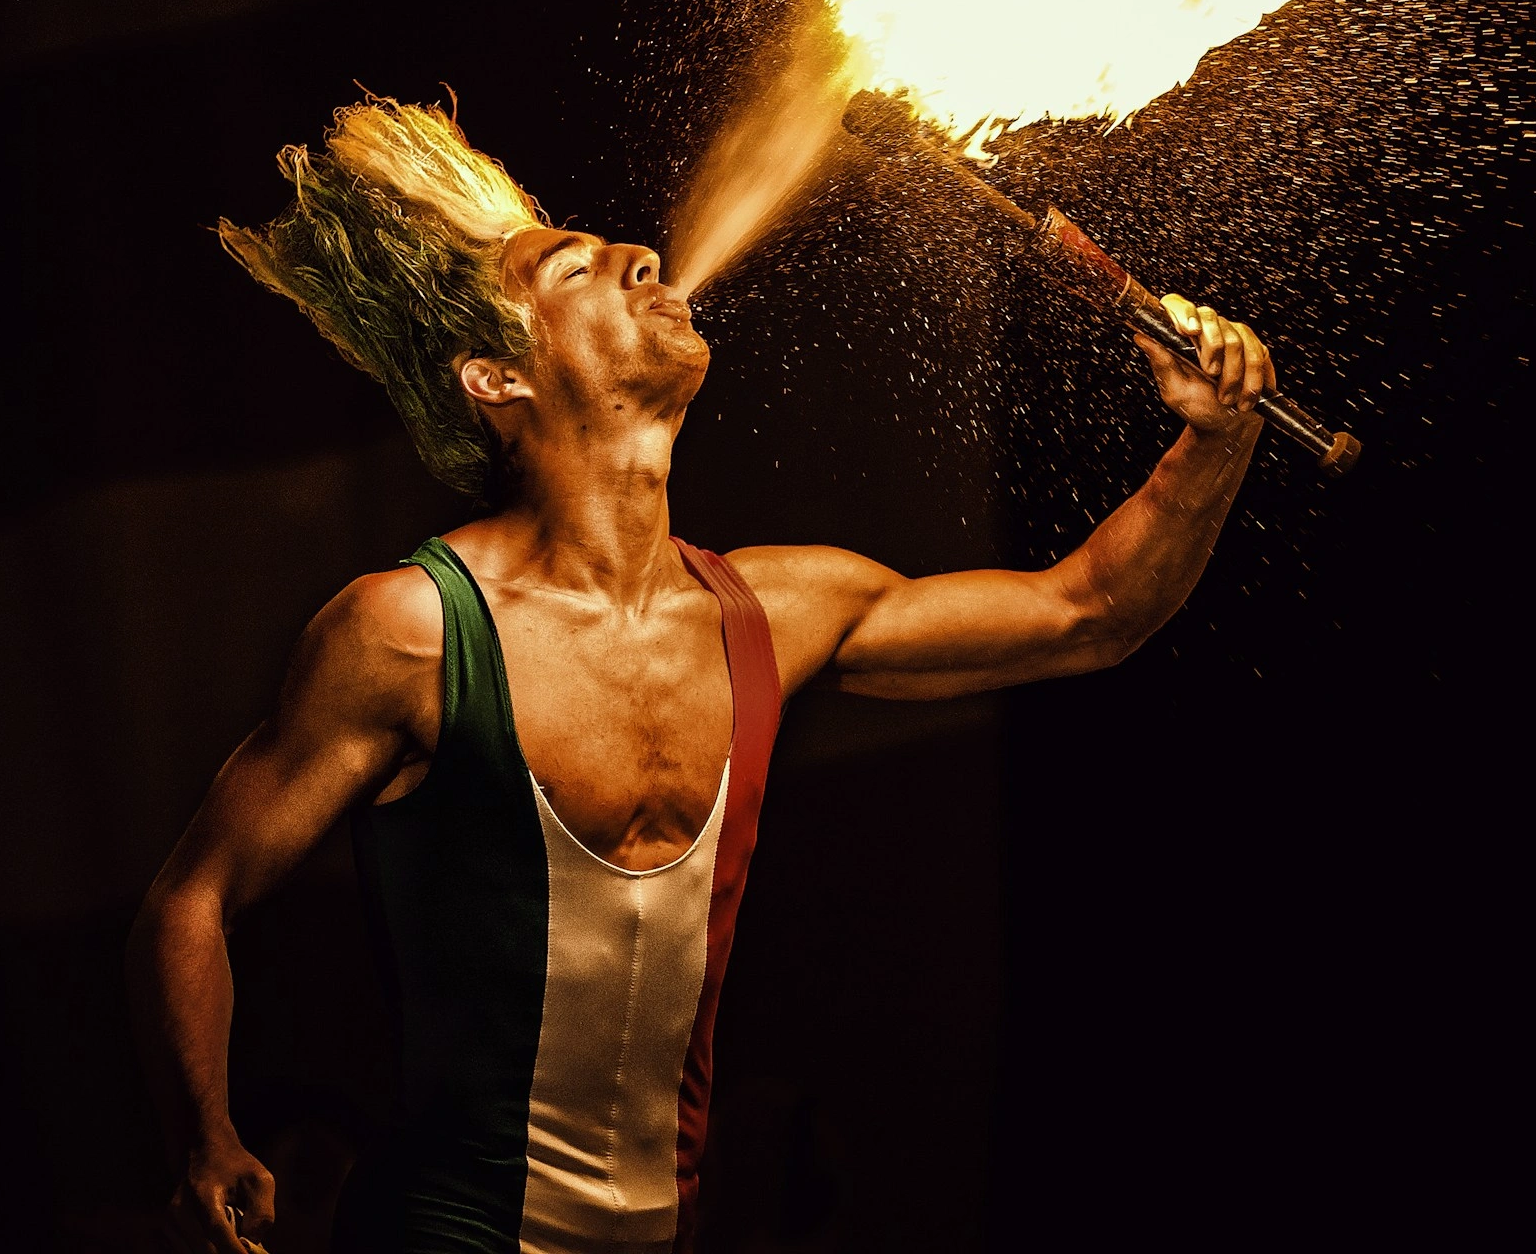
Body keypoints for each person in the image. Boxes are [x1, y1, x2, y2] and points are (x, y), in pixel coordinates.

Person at [127, 96, 1276, 1254]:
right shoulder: (411, 633)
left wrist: (1215, 439)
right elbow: (192, 897)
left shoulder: (779, 612)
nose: (642, 256)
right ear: (497, 377)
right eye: (577, 267)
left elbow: (1090, 616)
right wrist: (204, 1138)